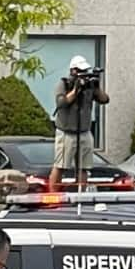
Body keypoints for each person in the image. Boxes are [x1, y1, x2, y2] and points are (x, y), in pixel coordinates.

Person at [49, 56, 109, 192]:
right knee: (60, 165)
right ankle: (52, 196)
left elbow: (105, 100)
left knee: (84, 167)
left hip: (85, 131)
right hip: (66, 132)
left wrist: (96, 87)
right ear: (73, 71)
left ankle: (81, 194)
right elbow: (62, 103)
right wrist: (75, 90)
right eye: (81, 70)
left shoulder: (89, 86)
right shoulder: (63, 84)